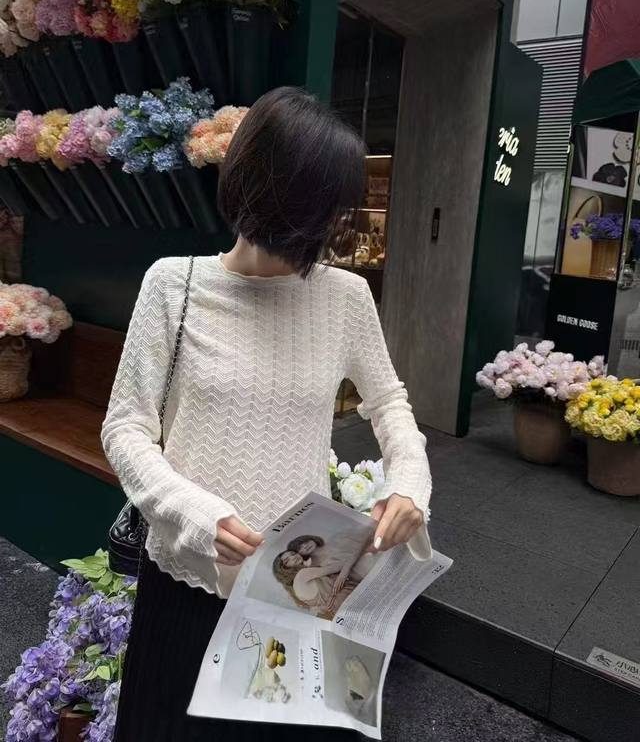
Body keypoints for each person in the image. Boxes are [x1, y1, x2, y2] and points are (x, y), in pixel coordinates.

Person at [102, 86, 432, 740]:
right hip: (188, 582)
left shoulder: (345, 298)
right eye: (314, 212)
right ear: (258, 186)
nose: (321, 233)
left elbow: (390, 404)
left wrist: (408, 486)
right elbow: (126, 428)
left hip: (297, 590)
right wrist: (197, 514)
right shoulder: (175, 285)